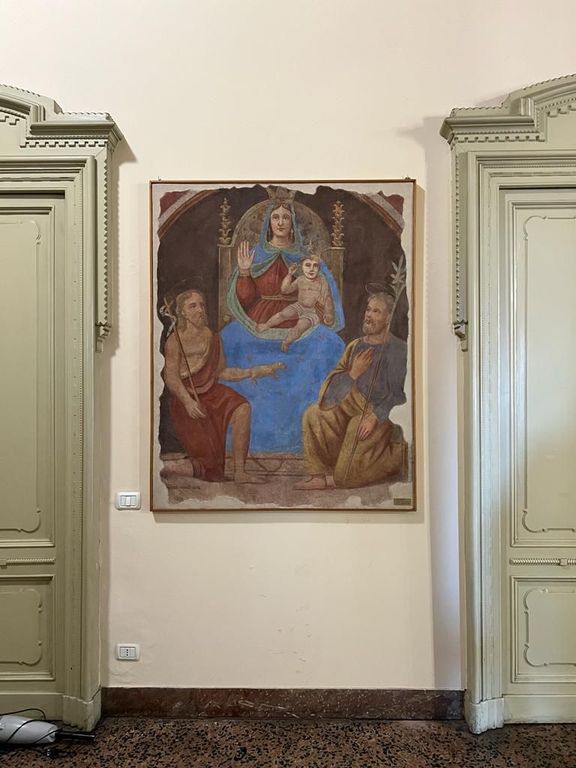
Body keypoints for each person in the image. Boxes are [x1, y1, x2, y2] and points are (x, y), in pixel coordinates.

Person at [162, 289, 283, 483]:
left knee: (242, 407)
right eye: (192, 306)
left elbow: (221, 372)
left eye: (201, 305)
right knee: (211, 468)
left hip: (211, 392)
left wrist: (255, 371)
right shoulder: (175, 340)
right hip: (188, 398)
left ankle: (240, 472)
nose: (199, 310)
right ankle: (165, 468)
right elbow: (171, 378)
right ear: (182, 312)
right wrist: (188, 402)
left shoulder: (213, 337)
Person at [295, 292, 408, 490]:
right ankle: (317, 475)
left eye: (376, 311)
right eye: (368, 310)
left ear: (388, 318)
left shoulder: (398, 349)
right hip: (350, 409)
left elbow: (400, 394)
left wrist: (375, 416)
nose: (369, 315)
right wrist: (353, 373)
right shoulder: (355, 346)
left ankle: (396, 457)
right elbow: (331, 394)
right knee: (314, 414)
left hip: (380, 419)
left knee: (345, 476)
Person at [256, 252, 335, 351]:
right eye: (307, 265)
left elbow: (327, 299)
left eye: (315, 266)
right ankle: (266, 325)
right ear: (302, 267)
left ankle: (287, 341)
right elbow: (285, 290)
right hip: (299, 306)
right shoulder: (300, 279)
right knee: (283, 314)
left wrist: (329, 314)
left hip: (313, 312)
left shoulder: (322, 282)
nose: (311, 269)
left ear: (319, 268)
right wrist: (289, 274)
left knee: (300, 326)